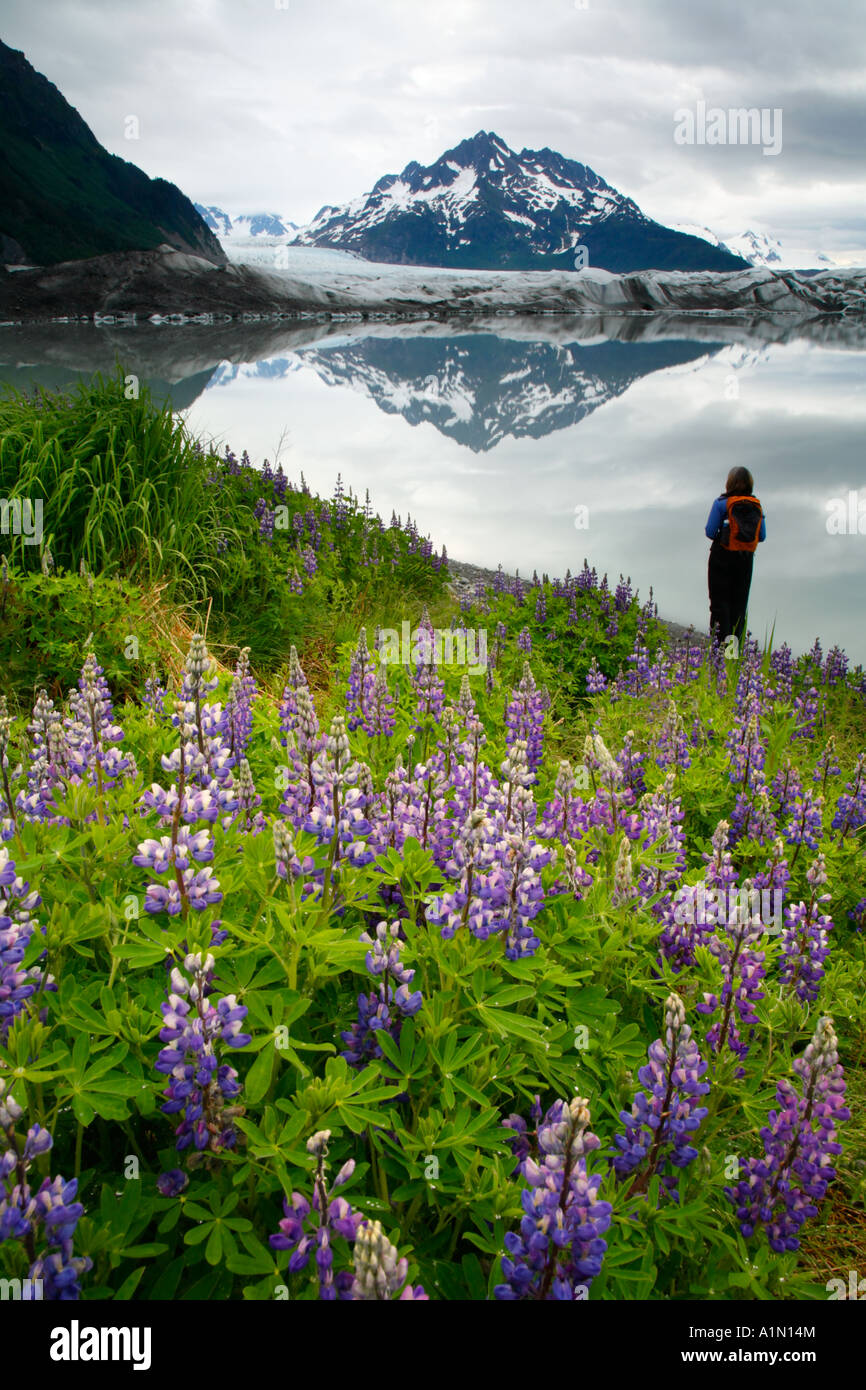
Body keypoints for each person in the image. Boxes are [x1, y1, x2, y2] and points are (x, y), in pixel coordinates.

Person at [705, 466, 766, 646]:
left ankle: (717, 651)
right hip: (745, 560)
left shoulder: (721, 503)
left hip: (721, 557)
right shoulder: (756, 505)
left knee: (719, 604)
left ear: (729, 483)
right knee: (738, 606)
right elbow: (761, 536)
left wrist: (724, 534)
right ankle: (732, 653)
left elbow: (710, 531)